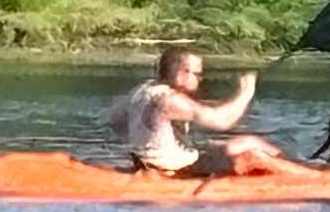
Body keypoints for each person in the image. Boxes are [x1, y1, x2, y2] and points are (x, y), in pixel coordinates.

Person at [105, 45, 286, 179]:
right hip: (178, 168)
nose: (199, 79)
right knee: (252, 149)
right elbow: (222, 121)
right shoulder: (169, 100)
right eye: (197, 74)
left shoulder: (141, 90)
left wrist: (145, 145)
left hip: (150, 162)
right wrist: (246, 93)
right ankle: (300, 176)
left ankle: (292, 168)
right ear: (183, 73)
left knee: (240, 143)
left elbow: (115, 121)